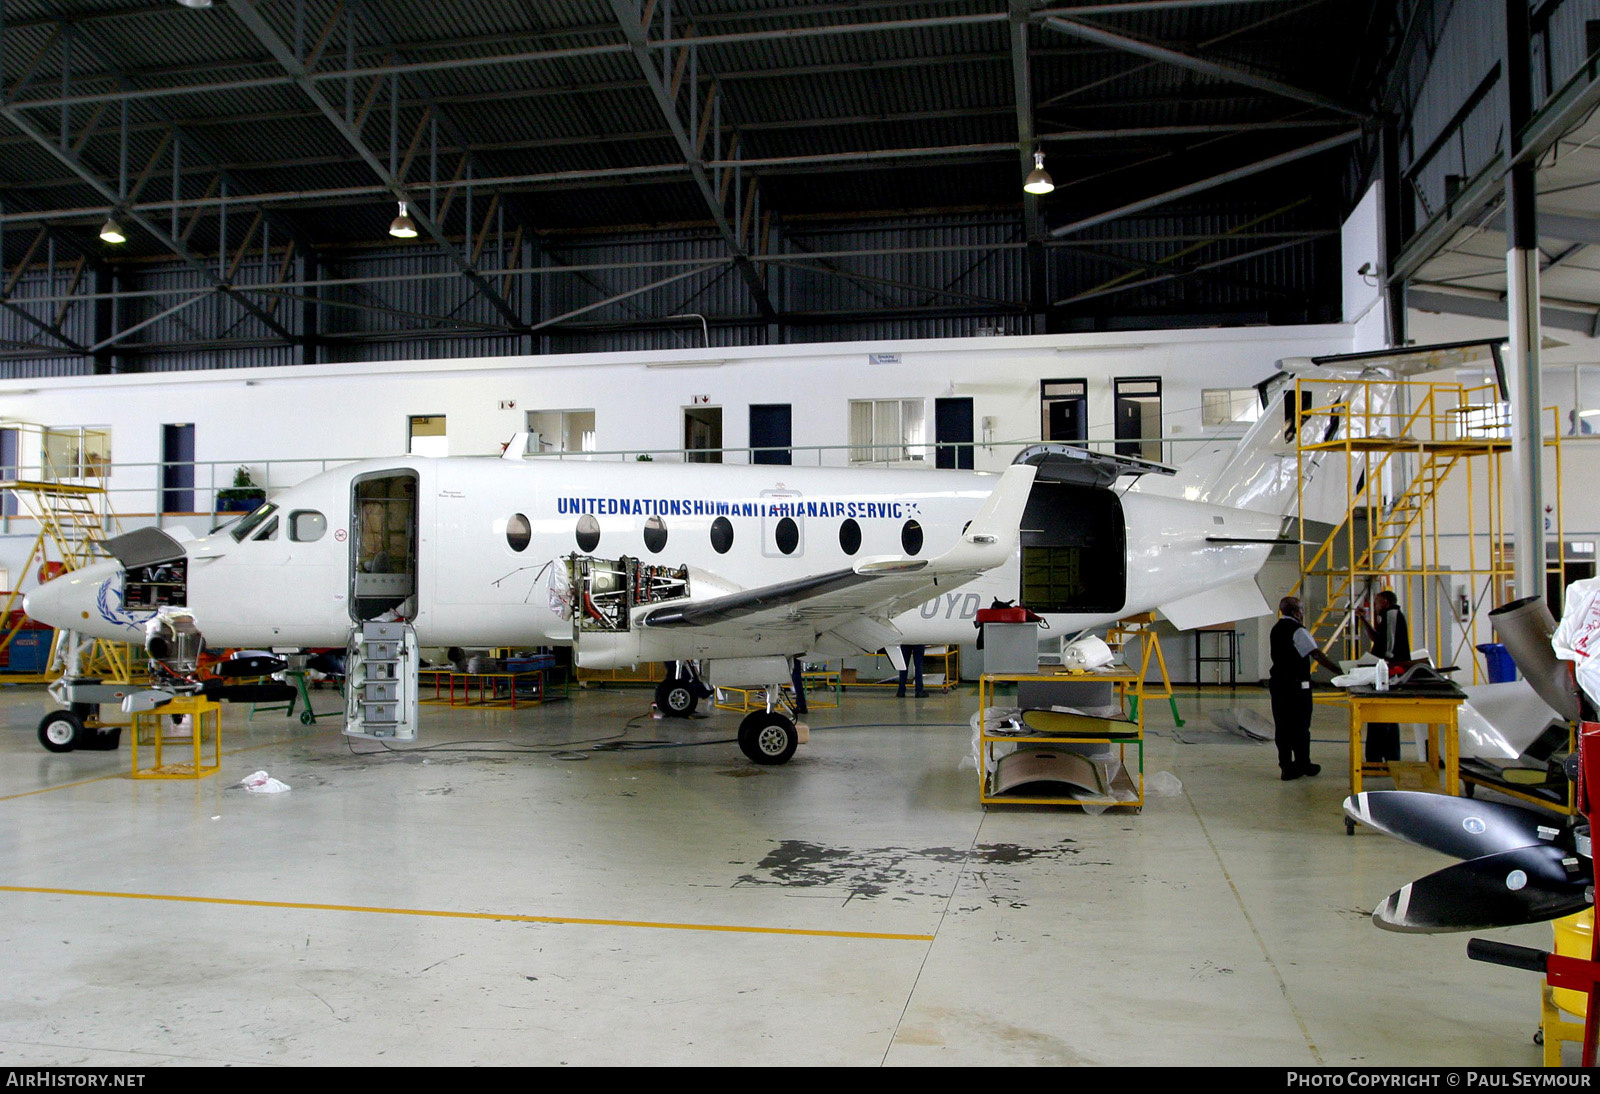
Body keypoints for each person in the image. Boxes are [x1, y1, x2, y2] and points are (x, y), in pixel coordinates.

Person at [1269, 596, 1341, 781]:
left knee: (1283, 726)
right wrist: (1340, 671)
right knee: (1301, 726)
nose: (1303, 613)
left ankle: (1286, 765)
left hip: (1278, 683)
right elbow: (1316, 654)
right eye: (1301, 609)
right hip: (1296, 686)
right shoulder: (1299, 631)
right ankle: (1302, 763)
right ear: (1296, 612)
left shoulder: (1276, 629)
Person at [1355, 590, 1411, 762]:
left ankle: (1380, 757)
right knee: (1385, 717)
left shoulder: (1392, 614)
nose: (1375, 606)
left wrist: (1382, 664)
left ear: (1385, 602)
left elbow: (1389, 646)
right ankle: (1385, 756)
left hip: (1391, 672)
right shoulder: (1385, 617)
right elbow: (1377, 639)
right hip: (1386, 670)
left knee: (1383, 716)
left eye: (1377, 602)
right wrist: (1363, 620)